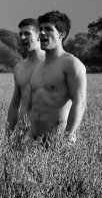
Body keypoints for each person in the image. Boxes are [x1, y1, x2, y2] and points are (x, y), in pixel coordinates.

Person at [26, 11, 87, 143]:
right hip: (32, 141)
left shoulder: (72, 64)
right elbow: (30, 106)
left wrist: (67, 137)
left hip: (58, 142)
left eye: (48, 29)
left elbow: (80, 103)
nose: (42, 33)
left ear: (61, 34)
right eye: (40, 29)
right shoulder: (37, 67)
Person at [6, 18, 45, 137]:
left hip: (48, 134)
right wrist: (8, 135)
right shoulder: (19, 67)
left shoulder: (52, 64)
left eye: (27, 33)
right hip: (23, 133)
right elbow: (14, 105)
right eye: (21, 34)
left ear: (39, 35)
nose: (22, 37)